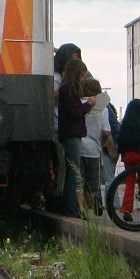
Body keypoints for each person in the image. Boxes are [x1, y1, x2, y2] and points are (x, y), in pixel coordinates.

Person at [58, 59, 96, 217]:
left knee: (71, 172)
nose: (83, 79)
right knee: (74, 172)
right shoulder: (68, 89)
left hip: (69, 134)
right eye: (81, 75)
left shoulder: (65, 88)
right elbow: (75, 112)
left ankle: (70, 207)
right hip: (72, 135)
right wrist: (88, 104)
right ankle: (71, 209)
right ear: (76, 74)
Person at [52, 43, 82, 198]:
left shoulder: (63, 79)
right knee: (69, 168)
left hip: (61, 125)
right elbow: (51, 97)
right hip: (58, 125)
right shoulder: (58, 79)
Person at [79, 78, 110, 215]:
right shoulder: (103, 108)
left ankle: (82, 209)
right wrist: (101, 142)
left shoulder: (78, 104)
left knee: (80, 181)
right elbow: (106, 132)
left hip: (78, 148)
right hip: (94, 149)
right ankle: (97, 200)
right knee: (94, 182)